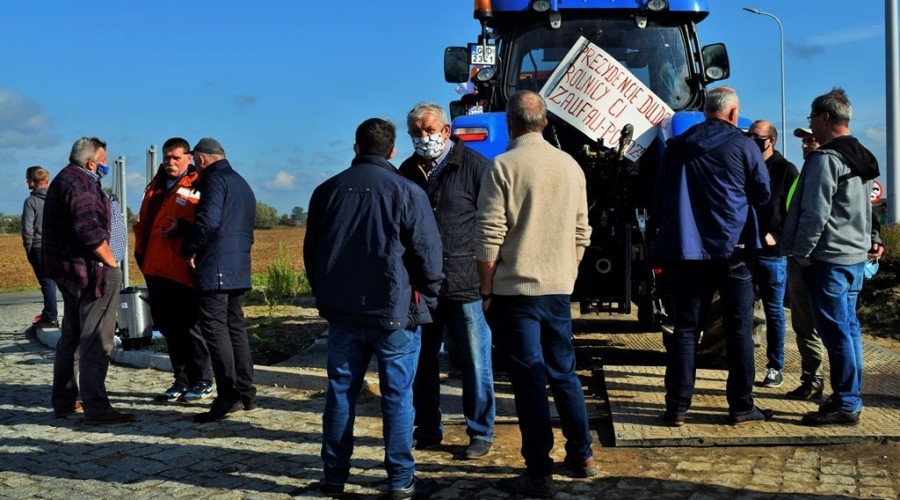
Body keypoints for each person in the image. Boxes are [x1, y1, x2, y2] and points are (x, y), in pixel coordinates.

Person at [304, 118, 444, 499]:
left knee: (340, 393)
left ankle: (334, 476)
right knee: (398, 396)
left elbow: (311, 254)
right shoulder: (408, 192)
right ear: (393, 150)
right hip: (395, 311)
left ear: (355, 148)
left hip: (344, 313)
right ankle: (400, 479)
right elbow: (429, 257)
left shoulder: (326, 192)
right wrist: (427, 300)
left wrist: (326, 296)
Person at [476, 90, 596, 499]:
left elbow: (489, 234)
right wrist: (567, 270)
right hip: (558, 290)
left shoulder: (503, 167)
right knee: (564, 373)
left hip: (517, 293)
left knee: (529, 380)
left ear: (510, 123)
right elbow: (582, 232)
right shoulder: (571, 167)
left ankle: (539, 472)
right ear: (545, 123)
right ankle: (582, 455)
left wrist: (486, 289)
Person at [653, 87, 772, 427]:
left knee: (686, 330)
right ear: (733, 114)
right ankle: (740, 406)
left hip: (687, 253)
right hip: (733, 251)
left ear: (706, 111)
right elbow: (762, 194)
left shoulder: (676, 147)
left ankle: (676, 407)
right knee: (739, 331)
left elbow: (659, 196)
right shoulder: (744, 146)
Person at [398, 102, 495, 459]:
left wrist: (489, 280)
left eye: (429, 131)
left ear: (446, 131)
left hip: (465, 281)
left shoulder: (475, 167)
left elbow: (492, 224)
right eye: (417, 133)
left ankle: (480, 431)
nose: (424, 138)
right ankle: (427, 429)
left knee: (474, 360)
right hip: (422, 285)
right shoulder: (406, 172)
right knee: (422, 361)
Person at [781, 88, 881, 427]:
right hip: (853, 258)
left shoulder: (826, 159)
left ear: (825, 118)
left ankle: (848, 403)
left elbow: (815, 213)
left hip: (829, 261)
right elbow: (865, 212)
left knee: (837, 334)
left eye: (811, 118)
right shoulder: (862, 155)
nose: (810, 124)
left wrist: (802, 254)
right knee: (849, 330)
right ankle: (846, 396)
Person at [43, 137, 134, 424]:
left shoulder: (65, 178)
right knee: (96, 339)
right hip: (89, 272)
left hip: (68, 272)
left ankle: (65, 402)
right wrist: (111, 264)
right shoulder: (81, 185)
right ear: (92, 162)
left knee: (70, 337)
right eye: (104, 160)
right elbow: (90, 232)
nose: (106, 165)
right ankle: (97, 407)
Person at [180, 138, 257, 423]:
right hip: (239, 264)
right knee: (236, 328)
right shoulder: (241, 182)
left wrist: (189, 249)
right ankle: (246, 392)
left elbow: (210, 222)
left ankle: (228, 395)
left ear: (200, 159)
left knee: (216, 330)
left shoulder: (214, 181)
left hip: (215, 267)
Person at [134, 137, 212, 403]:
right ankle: (181, 379)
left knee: (190, 327)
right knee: (169, 327)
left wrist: (183, 233)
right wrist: (140, 255)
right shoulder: (154, 186)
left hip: (182, 268)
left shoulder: (198, 184)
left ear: (189, 158)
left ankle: (202, 379)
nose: (170, 162)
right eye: (166, 158)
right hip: (154, 267)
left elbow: (206, 225)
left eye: (176, 157)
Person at [745, 120, 799, 388]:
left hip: (772, 254)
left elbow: (793, 210)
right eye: (749, 135)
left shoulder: (786, 170)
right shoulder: (747, 166)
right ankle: (743, 367)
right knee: (742, 310)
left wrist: (776, 235)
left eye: (757, 136)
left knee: (774, 312)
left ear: (771, 140)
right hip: (746, 251)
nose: (751, 140)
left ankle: (775, 367)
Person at [22, 166, 58, 328]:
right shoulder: (57, 199)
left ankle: (50, 315)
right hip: (56, 246)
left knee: (46, 282)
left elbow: (27, 229)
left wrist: (29, 249)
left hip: (38, 247)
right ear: (47, 181)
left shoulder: (31, 202)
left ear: (32, 182)